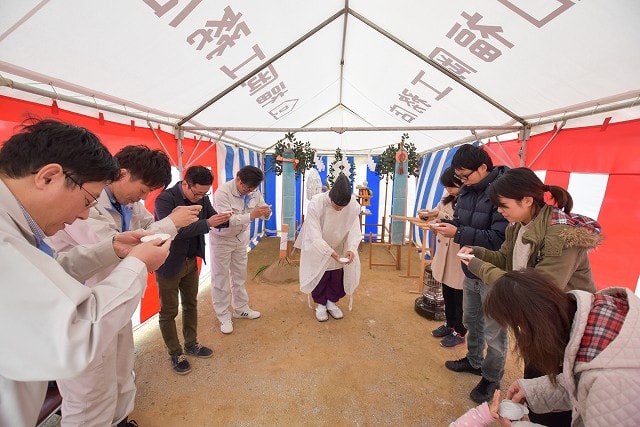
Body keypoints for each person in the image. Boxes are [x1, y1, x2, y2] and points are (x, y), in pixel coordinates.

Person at [0, 119, 170, 426]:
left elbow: (50, 272)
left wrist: (113, 247)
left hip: (103, 306)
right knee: (90, 399)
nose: (83, 214)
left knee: (115, 380)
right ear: (49, 177)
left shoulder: (16, 226)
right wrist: (137, 263)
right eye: (87, 200)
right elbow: (74, 335)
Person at [49, 145, 201, 426]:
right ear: (122, 173)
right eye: (143, 189)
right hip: (81, 310)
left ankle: (120, 419)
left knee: (121, 371)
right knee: (89, 393)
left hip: (116, 301)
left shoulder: (129, 204)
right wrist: (169, 223)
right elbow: (111, 247)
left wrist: (163, 226)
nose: (143, 198)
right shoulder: (88, 205)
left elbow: (144, 230)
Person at [459, 167, 603, 425]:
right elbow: (506, 259)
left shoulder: (559, 233)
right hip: (538, 321)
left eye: (503, 205)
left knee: (556, 386)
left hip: (566, 325)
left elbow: (538, 288)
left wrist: (479, 267)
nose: (500, 212)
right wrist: (480, 253)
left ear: (527, 200)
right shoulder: (520, 225)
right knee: (535, 378)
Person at [485, 269, 640, 427]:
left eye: (516, 327)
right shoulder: (597, 312)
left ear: (532, 325)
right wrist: (532, 390)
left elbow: (598, 386)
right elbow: (580, 383)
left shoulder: (609, 378)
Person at [438, 144, 509, 404]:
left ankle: (492, 378)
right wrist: (448, 225)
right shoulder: (467, 191)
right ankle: (474, 360)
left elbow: (499, 239)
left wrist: (456, 233)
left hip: (493, 273)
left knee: (495, 330)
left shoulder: (503, 192)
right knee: (472, 319)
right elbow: (462, 221)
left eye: (466, 175)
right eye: (460, 177)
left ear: (483, 167)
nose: (463, 181)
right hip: (469, 268)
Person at [154, 166, 231, 374]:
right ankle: (175, 352)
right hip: (168, 263)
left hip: (191, 261)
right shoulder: (165, 199)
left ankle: (191, 344)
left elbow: (213, 218)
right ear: (185, 183)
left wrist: (225, 219)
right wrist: (208, 223)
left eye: (204, 194)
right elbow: (175, 232)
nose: (200, 198)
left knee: (191, 304)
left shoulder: (202, 198)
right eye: (196, 193)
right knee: (169, 311)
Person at [210, 165, 271, 334]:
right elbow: (226, 220)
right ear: (238, 179)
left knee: (239, 275)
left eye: (253, 189)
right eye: (246, 188)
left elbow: (262, 206)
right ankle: (223, 315)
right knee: (220, 278)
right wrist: (252, 215)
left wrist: (266, 213)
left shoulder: (253, 191)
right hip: (222, 239)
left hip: (240, 238)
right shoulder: (222, 193)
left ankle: (240, 308)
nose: (249, 191)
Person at [295, 173, 361, 321]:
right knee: (320, 274)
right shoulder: (316, 203)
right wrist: (328, 251)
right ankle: (321, 305)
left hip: (339, 245)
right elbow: (313, 233)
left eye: (343, 207)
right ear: (331, 197)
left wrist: (351, 248)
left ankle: (331, 303)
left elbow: (354, 228)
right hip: (318, 244)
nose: (340, 210)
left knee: (336, 276)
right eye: (337, 207)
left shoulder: (353, 205)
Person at [419, 167, 466, 347]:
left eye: (451, 186)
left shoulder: (467, 200)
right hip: (444, 251)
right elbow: (438, 212)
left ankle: (460, 331)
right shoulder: (448, 198)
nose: (448, 190)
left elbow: (457, 220)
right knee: (447, 290)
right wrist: (427, 216)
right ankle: (450, 323)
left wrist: (438, 216)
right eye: (446, 187)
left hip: (457, 252)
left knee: (458, 293)